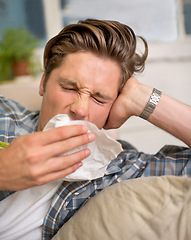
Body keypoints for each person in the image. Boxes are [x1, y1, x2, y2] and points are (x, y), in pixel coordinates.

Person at [0, 19, 190, 239]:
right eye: (69, 88)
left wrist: (144, 100)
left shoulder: (119, 169)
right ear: (43, 83)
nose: (80, 109)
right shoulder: (4, 115)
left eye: (99, 99)